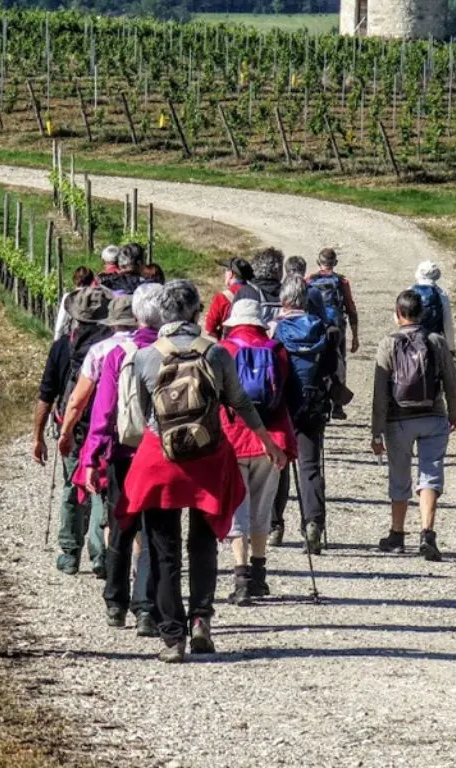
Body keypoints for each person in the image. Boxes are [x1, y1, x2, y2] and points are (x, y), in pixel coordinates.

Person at [118, 280, 287, 663]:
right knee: (204, 542)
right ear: (197, 312)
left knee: (164, 550)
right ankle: (201, 622)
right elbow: (239, 401)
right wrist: (267, 441)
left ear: (163, 314)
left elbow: (138, 418)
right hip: (208, 457)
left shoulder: (145, 356)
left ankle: (172, 637)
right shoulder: (215, 353)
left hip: (160, 459)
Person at [76, 285, 165, 637]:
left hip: (123, 452)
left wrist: (93, 455)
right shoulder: (168, 351)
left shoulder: (117, 353)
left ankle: (115, 602)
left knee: (121, 525)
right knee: (153, 529)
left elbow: (103, 411)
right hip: (159, 452)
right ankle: (146, 609)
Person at [218, 299, 299, 604]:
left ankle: (240, 579)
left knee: (237, 507)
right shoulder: (277, 350)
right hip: (272, 441)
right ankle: (259, 576)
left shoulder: (224, 350)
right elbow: (291, 397)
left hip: (232, 438)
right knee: (262, 509)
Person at [371, 290, 456, 563]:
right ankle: (427, 533)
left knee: (400, 476)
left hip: (398, 419)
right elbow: (451, 382)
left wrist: (376, 431)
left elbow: (380, 392)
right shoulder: (436, 341)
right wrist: (453, 414)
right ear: (421, 313)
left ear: (398, 314)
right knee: (430, 475)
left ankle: (397, 534)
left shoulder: (388, 344)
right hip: (433, 416)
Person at [42, 286, 113, 577]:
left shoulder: (62, 346)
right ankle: (100, 557)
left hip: (71, 429)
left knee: (72, 487)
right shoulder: (111, 347)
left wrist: (41, 435)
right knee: (100, 490)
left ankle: (70, 555)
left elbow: (46, 393)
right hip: (103, 430)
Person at [270, 276, 337, 551]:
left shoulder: (275, 329)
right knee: (310, 467)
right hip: (312, 404)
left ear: (284, 300)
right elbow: (332, 368)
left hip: (282, 405)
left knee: (279, 465)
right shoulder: (323, 329)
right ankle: (313, 524)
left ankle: (274, 526)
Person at [307, 247, 358, 420]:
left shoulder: (309, 280)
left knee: (314, 359)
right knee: (339, 362)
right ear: (335, 263)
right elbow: (351, 308)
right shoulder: (342, 282)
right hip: (337, 327)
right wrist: (355, 336)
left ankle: (313, 399)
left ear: (318, 262)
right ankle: (337, 406)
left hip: (314, 326)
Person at [410, 260, 456, 356]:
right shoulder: (441, 294)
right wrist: (451, 348)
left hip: (412, 340)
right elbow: (447, 324)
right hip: (435, 341)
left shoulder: (408, 291)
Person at [204, 257, 254, 339]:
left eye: (225, 271)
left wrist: (222, 337)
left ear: (231, 274)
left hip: (229, 347)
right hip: (253, 345)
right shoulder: (256, 294)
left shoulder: (222, 298)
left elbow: (209, 330)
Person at [233, 248, 284, 326]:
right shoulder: (288, 293)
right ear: (278, 270)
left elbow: (232, 320)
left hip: (254, 336)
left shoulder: (246, 291)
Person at [53, 266, 97, 341]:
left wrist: (56, 340)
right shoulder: (95, 297)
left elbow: (61, 321)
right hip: (91, 338)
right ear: (91, 280)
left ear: (75, 279)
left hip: (72, 338)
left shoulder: (69, 297)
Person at [284, 255, 327, 325]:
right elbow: (323, 318)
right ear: (304, 271)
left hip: (286, 332)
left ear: (286, 271)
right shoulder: (314, 292)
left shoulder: (282, 292)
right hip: (310, 331)